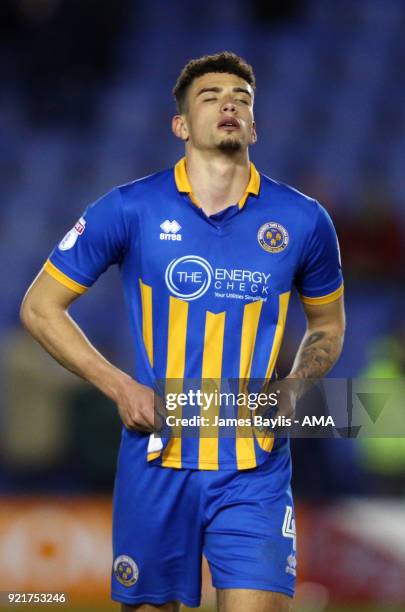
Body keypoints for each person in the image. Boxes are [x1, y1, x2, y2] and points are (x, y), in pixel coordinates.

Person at [20, 52, 345, 612]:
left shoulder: (304, 220)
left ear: (254, 124)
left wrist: (295, 386)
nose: (229, 104)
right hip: (156, 458)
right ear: (180, 124)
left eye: (242, 97)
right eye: (210, 96)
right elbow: (40, 307)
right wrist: (119, 385)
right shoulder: (128, 208)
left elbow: (328, 324)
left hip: (255, 464)